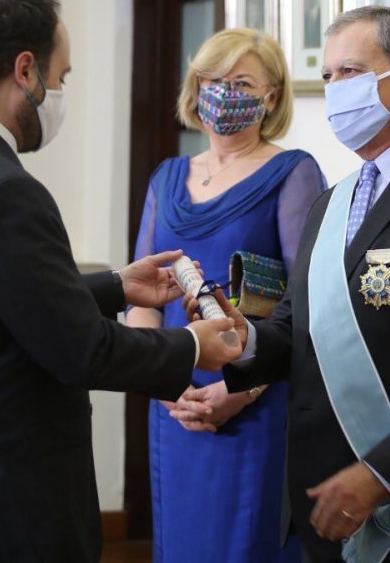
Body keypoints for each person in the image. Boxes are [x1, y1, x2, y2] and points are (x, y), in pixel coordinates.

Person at [0, 0, 241, 563]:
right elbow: (82, 351)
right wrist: (193, 344)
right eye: (61, 77)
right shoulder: (4, 190)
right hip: (1, 501)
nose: (61, 93)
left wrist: (114, 286)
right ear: (25, 71)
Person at [178, 7, 390, 562]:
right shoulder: (332, 203)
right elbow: (296, 328)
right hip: (321, 503)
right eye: (327, 75)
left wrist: (380, 475)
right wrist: (245, 338)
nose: (335, 89)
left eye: (350, 72)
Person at [128, 28, 325, 562]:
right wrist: (161, 384)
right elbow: (142, 298)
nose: (223, 93)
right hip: (173, 401)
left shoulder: (294, 172)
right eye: (212, 80)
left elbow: (308, 304)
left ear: (272, 97)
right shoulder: (167, 177)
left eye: (241, 83)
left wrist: (241, 391)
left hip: (254, 402)